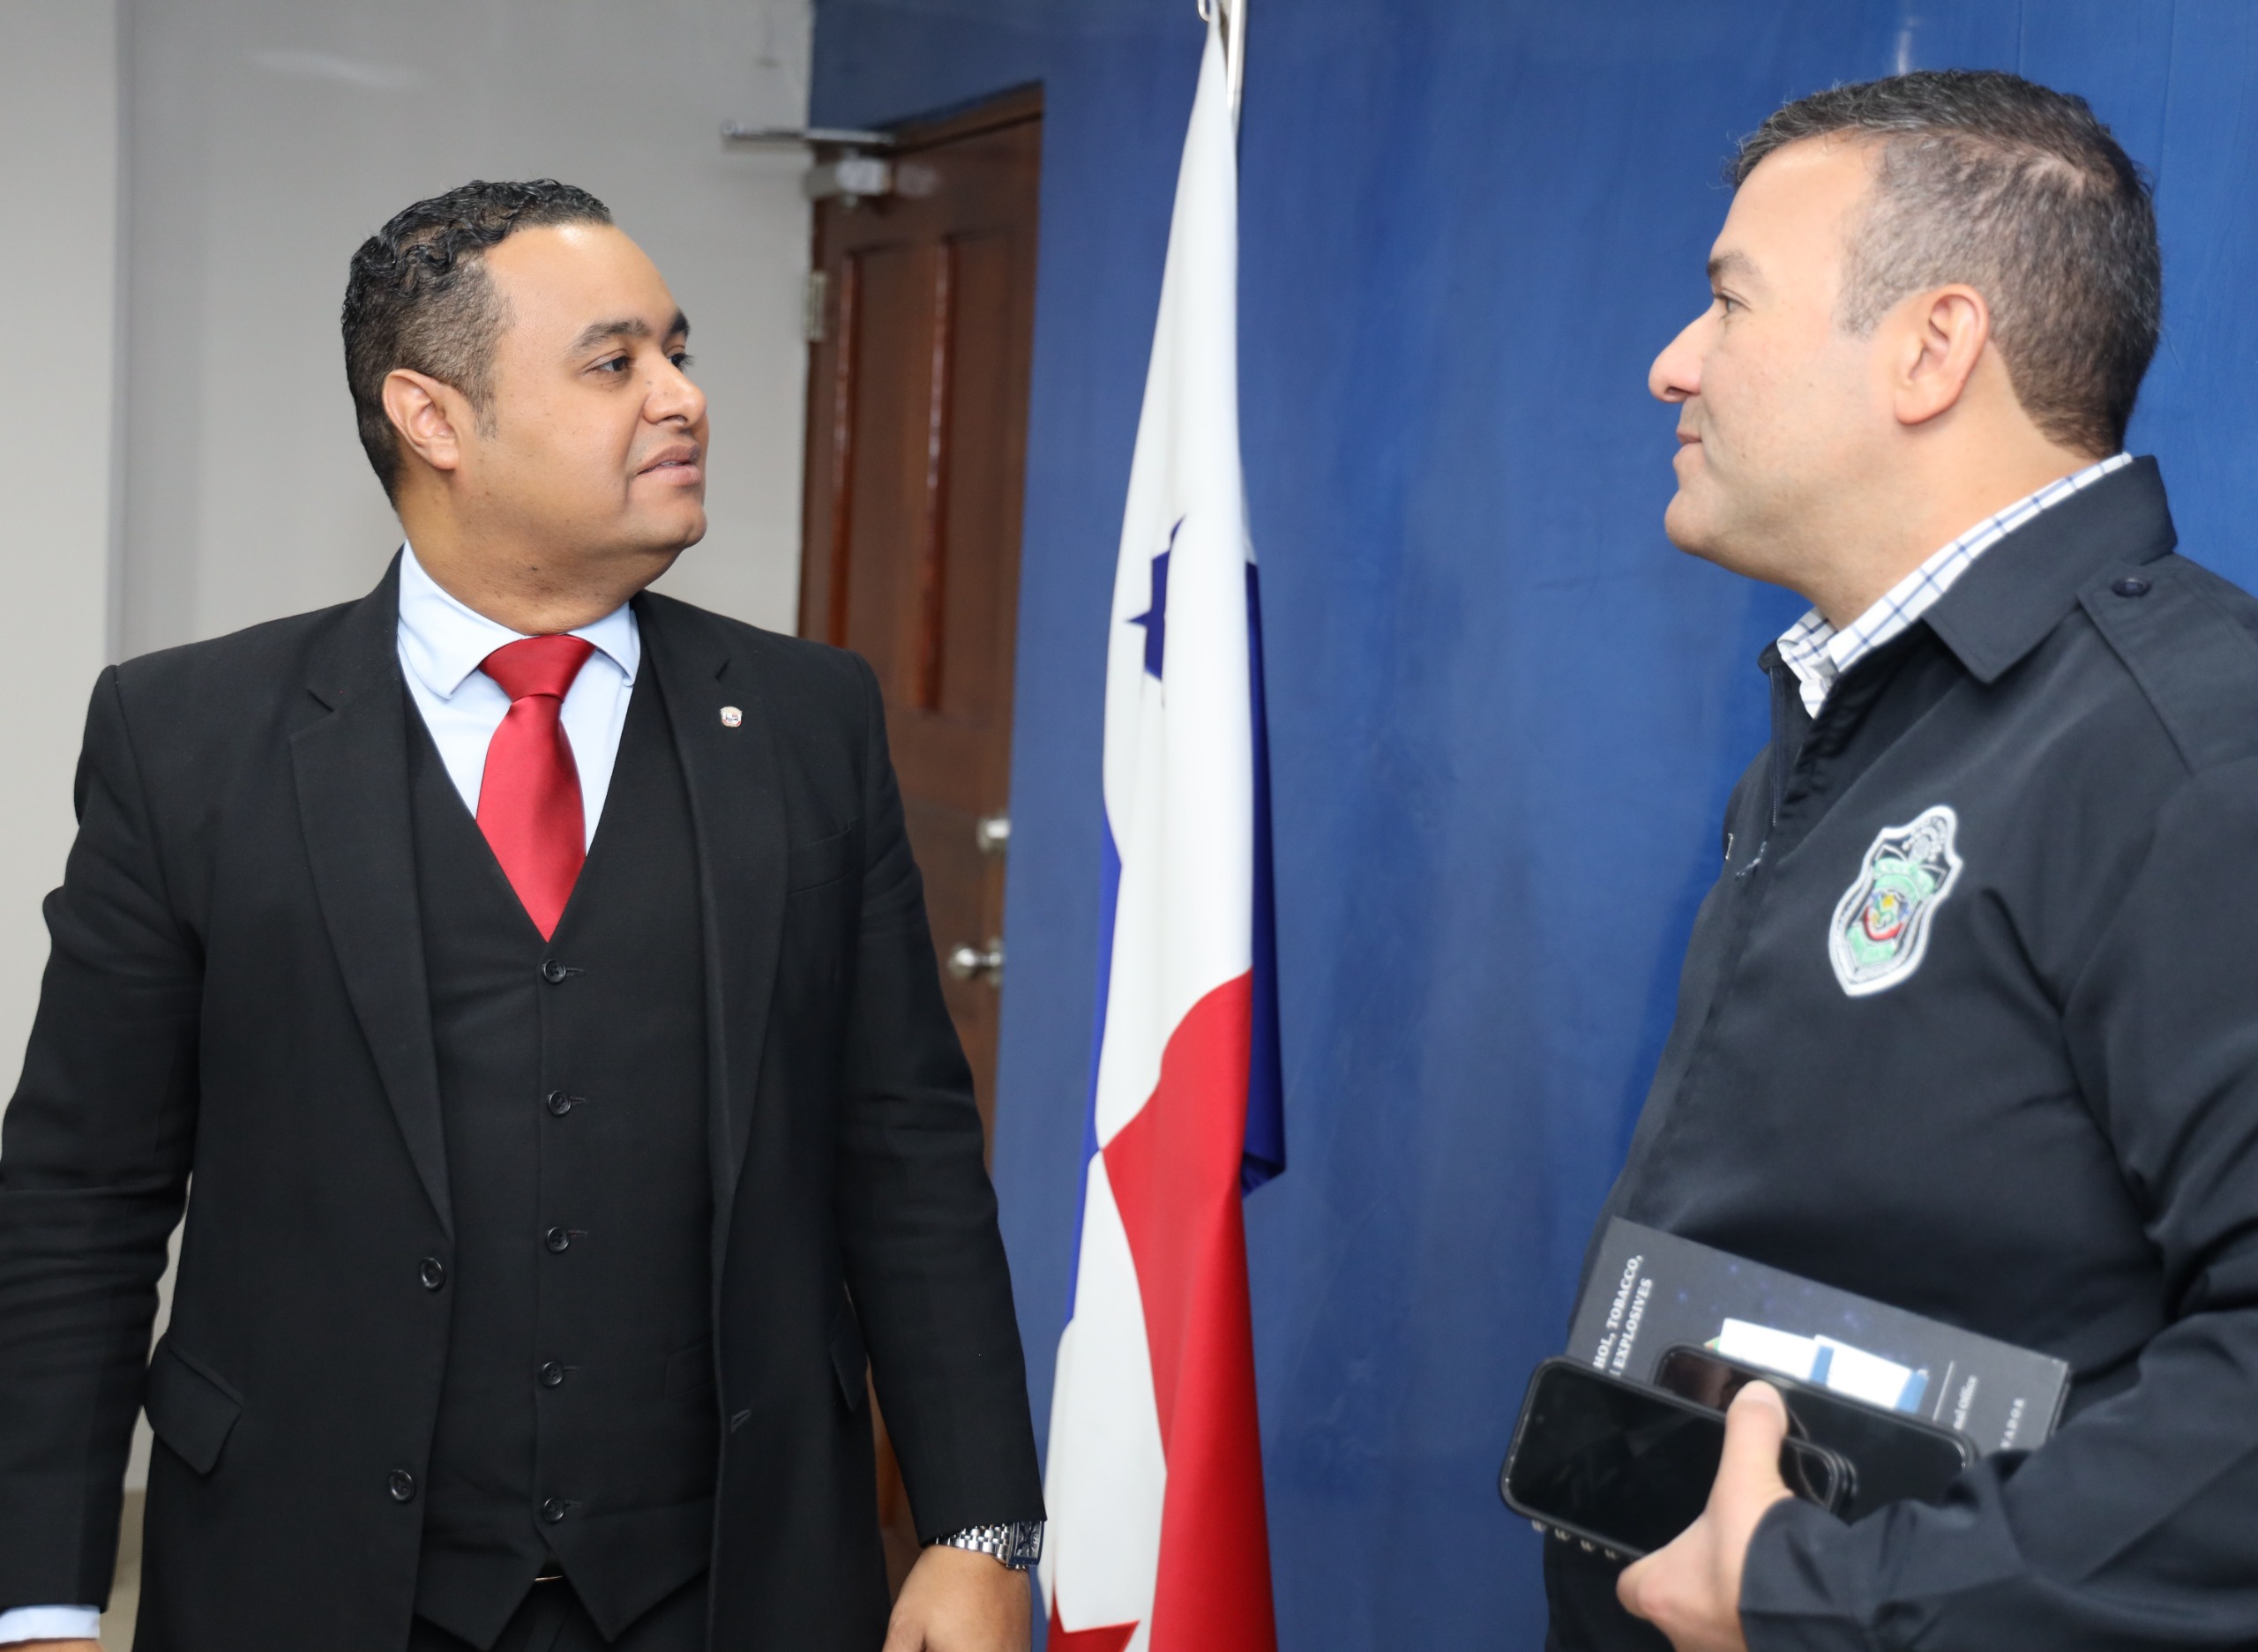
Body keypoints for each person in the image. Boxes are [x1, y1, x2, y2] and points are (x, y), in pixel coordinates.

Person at [0, 181, 1043, 1652]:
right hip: (310, 1577)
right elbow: (80, 1197)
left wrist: (981, 1527)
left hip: (729, 1582)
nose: (681, 398)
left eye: (677, 350)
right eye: (615, 362)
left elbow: (906, 1149)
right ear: (431, 416)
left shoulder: (808, 724)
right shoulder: (187, 741)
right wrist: (38, 1594)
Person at [1551, 71, 2258, 1651]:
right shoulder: (1855, 723)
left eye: (1731, 300)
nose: (1674, 361)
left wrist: (1824, 1600)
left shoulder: (2191, 753)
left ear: (1934, 349)